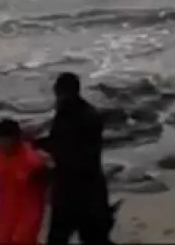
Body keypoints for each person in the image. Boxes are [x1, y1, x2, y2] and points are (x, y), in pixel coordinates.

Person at [39, 73, 115, 245]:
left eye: (60, 94)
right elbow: (58, 142)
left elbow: (79, 155)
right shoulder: (65, 114)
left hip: (83, 191)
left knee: (93, 238)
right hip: (74, 190)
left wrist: (50, 168)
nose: (57, 99)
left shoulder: (88, 118)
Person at [0, 118, 50, 245]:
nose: (3, 146)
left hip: (28, 212)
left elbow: (47, 188)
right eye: (0, 141)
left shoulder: (33, 162)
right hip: (5, 209)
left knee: (23, 240)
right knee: (2, 240)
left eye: (7, 142)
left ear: (16, 139)